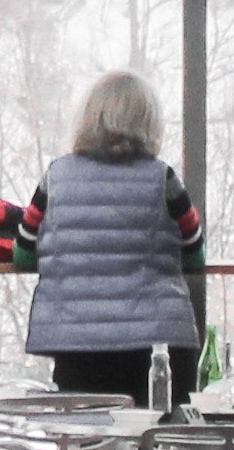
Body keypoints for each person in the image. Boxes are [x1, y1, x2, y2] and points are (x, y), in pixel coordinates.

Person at [25, 73, 203, 407]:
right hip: (158, 347)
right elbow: (194, 251)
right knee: (159, 446)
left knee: (87, 449)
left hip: (78, 345)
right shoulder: (163, 179)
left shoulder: (55, 178)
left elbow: (23, 250)